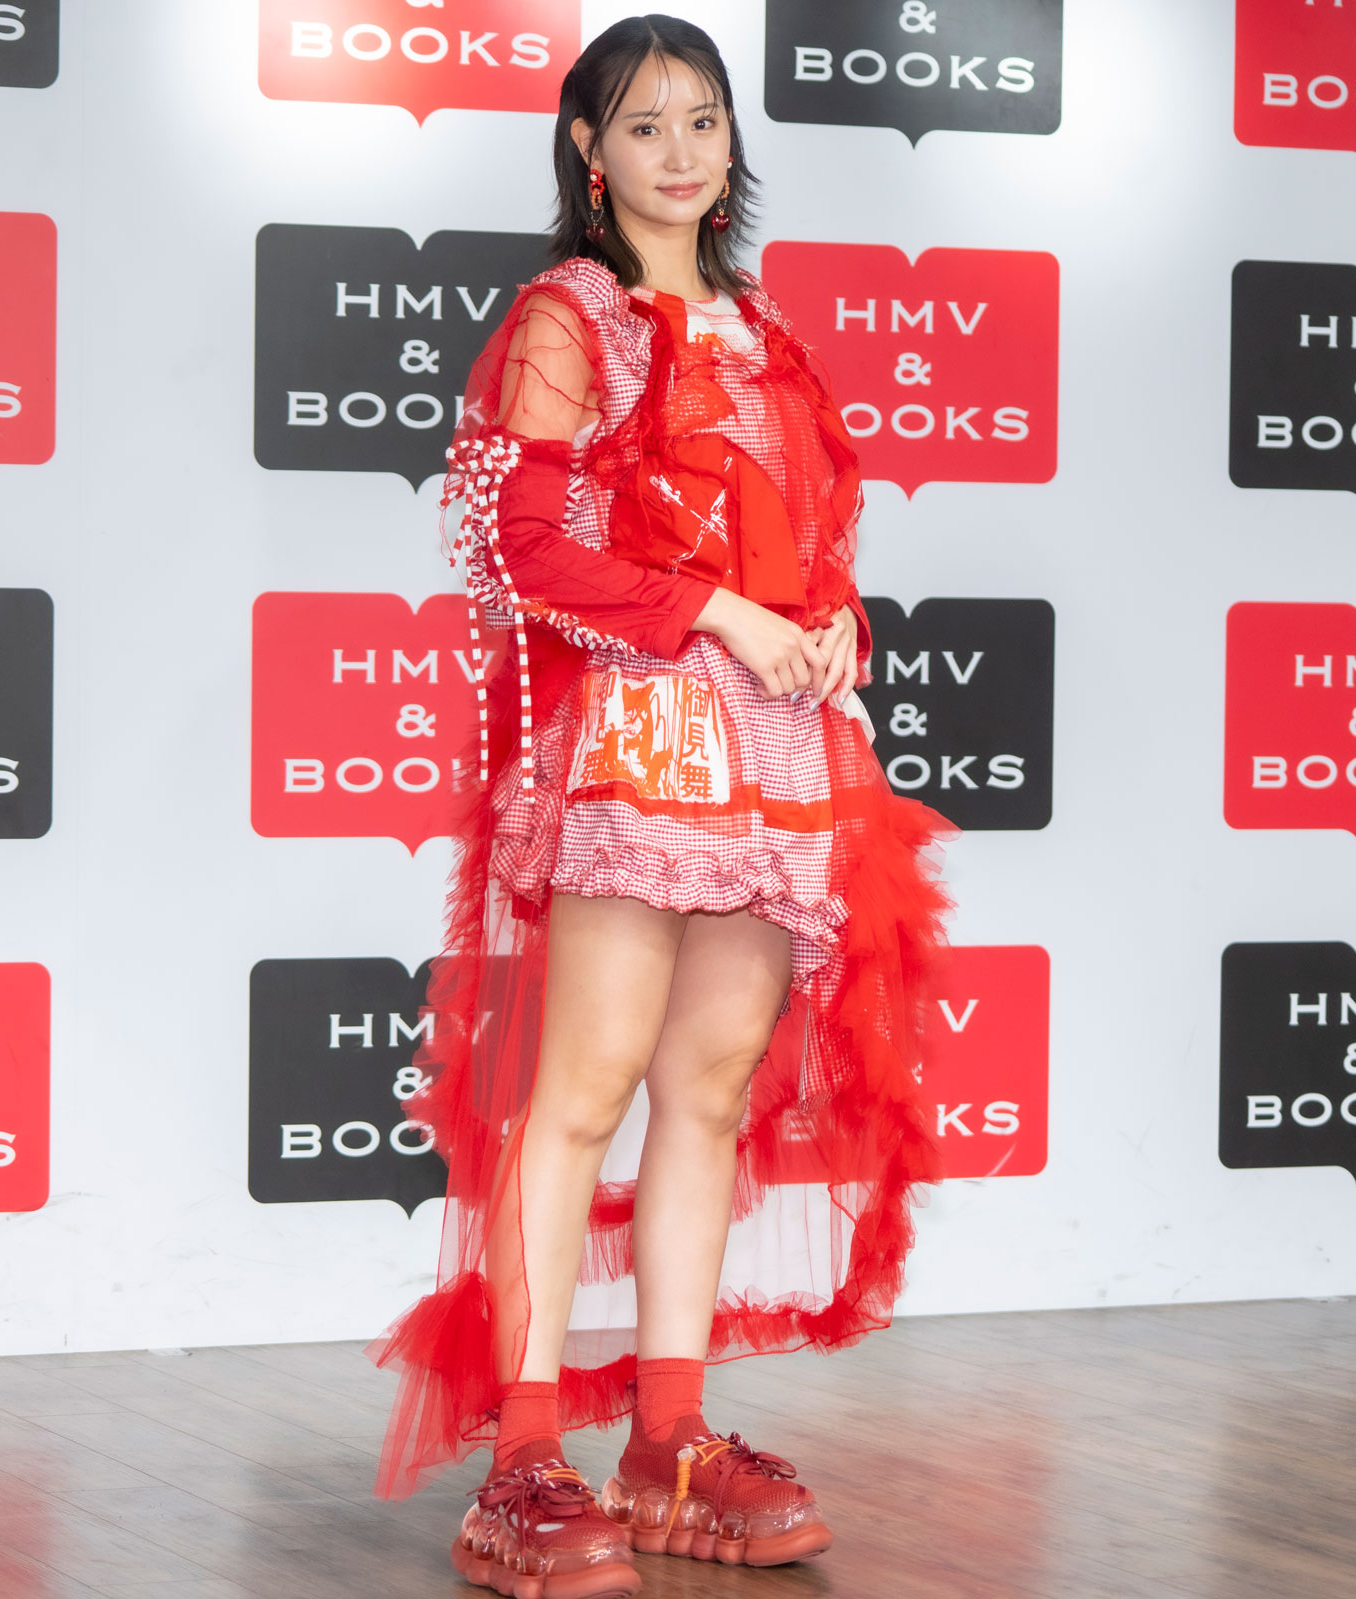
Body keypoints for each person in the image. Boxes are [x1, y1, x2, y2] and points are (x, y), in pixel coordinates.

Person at [365, 16, 956, 1597]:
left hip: (777, 749)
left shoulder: (767, 329)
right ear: (589, 150)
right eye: (644, 126)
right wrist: (716, 615)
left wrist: (836, 625)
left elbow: (812, 546)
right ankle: (527, 1454)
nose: (681, 154)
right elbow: (521, 549)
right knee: (585, 1085)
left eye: (703, 121)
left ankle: (671, 1437)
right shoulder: (568, 318)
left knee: (709, 1086)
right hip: (640, 736)